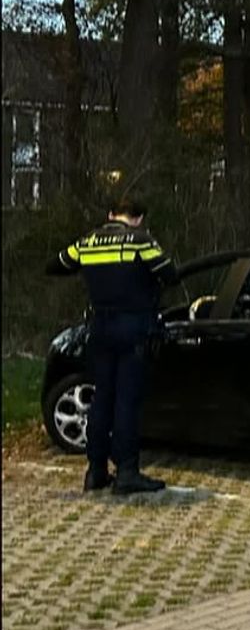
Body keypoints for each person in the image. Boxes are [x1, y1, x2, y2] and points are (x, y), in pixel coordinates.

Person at [46, 198, 178, 494]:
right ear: (139, 218)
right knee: (127, 401)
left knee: (102, 398)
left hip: (100, 329)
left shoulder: (88, 242)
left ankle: (95, 471)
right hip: (132, 329)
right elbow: (170, 274)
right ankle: (127, 471)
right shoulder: (140, 242)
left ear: (110, 215)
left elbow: (56, 265)